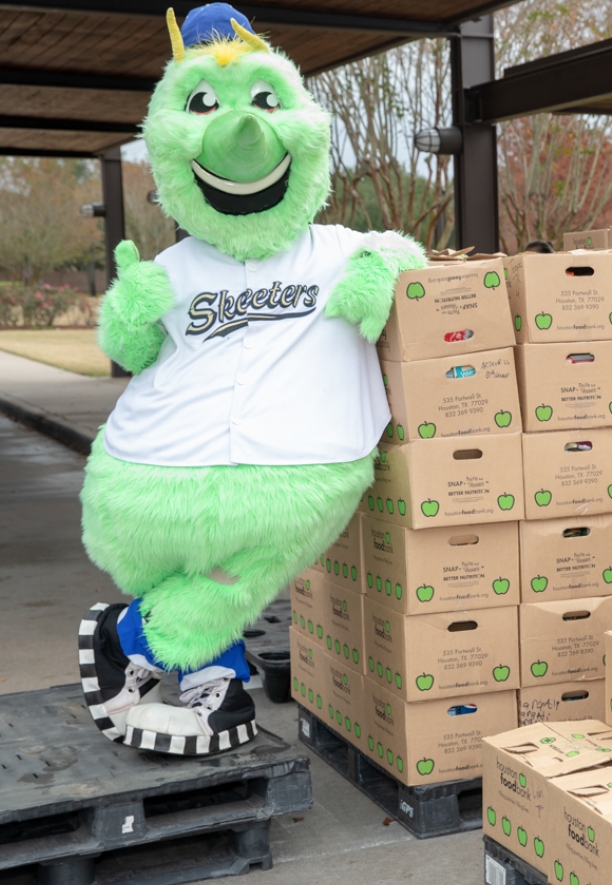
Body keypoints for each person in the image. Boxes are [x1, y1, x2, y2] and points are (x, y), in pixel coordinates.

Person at [79, 3, 425, 755]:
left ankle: (131, 636)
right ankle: (219, 685)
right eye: (202, 105)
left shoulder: (337, 250)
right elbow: (130, 349)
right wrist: (128, 310)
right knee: (206, 563)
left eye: (266, 103)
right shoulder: (172, 269)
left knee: (255, 557)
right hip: (154, 461)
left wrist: (386, 269)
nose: (241, 133)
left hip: (297, 467)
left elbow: (405, 254)